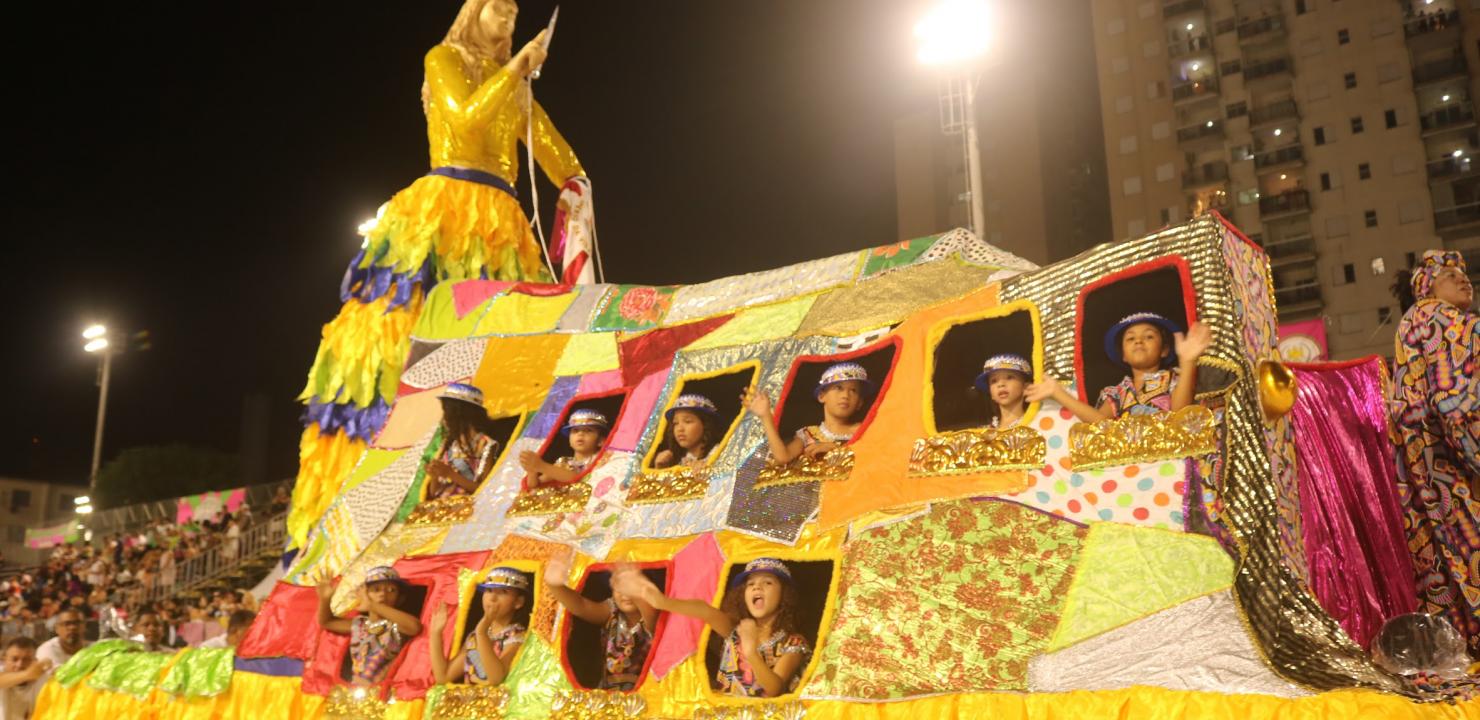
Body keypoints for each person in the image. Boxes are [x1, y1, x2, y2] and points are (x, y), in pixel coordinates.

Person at [293, 0, 587, 545]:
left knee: (502, 344)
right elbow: (466, 117)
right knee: (407, 331)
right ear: (472, 12)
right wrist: (516, 69)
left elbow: (554, 151)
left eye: (514, 12)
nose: (508, 18)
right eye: (497, 8)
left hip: (502, 222)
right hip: (448, 207)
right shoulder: (443, 58)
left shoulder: (512, 82)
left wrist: (577, 186)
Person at [1391, 250, 1480, 652]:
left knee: (1443, 559)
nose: (1463, 279)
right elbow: (1453, 401)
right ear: (1426, 287)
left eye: (1464, 274)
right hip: (1450, 462)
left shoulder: (1414, 322)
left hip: (1423, 466)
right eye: (1449, 274)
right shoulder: (1437, 315)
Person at [617, 558, 809, 698]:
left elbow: (775, 689)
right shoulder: (735, 631)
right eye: (751, 584)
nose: (757, 587)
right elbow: (704, 610)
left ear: (785, 595)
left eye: (767, 582)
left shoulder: (793, 642)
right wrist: (661, 602)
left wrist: (751, 652)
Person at [1032, 312, 1212, 422]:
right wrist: (1058, 393)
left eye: (1149, 336)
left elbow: (1180, 414)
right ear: (1124, 355)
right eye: (1130, 338)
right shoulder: (1117, 392)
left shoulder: (1174, 379)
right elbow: (1100, 422)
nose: (1139, 341)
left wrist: (1187, 362)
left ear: (1164, 350)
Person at [542, 552, 658, 691]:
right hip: (607, 695)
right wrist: (556, 586)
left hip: (648, 696)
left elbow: (652, 617)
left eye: (631, 587)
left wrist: (638, 592)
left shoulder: (654, 616)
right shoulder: (611, 611)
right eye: (619, 587)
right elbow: (581, 606)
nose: (625, 594)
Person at [746, 363, 872, 465]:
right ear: (822, 396)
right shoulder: (808, 434)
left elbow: (875, 458)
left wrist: (837, 450)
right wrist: (765, 416)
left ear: (859, 403)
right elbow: (783, 457)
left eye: (853, 390)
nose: (845, 395)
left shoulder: (865, 431)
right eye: (839, 388)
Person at [317, 566, 423, 686]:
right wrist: (325, 599)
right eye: (376, 589)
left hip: (385, 689)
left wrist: (371, 605)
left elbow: (415, 627)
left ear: (400, 598)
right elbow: (327, 622)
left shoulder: (396, 625)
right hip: (356, 689)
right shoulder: (360, 624)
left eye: (391, 590)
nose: (383, 594)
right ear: (364, 594)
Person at [428, 567, 529, 686]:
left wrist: (482, 632)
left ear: (518, 602)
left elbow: (496, 679)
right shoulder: (474, 638)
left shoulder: (517, 636)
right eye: (489, 591)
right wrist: (435, 633)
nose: (492, 598)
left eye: (503, 592)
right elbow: (443, 677)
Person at [426, 383, 503, 499]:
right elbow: (434, 493)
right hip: (442, 505)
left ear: (463, 414)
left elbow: (484, 489)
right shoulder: (449, 444)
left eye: (448, 412)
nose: (445, 417)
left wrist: (450, 474)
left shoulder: (485, 444)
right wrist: (434, 476)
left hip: (468, 505)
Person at [520, 410, 609, 486]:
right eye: (575, 431)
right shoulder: (563, 463)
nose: (580, 434)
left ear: (601, 441)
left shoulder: (602, 460)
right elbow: (536, 485)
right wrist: (532, 471)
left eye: (588, 430)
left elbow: (578, 478)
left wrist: (541, 466)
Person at [653, 394, 724, 469]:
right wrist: (661, 469)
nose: (679, 429)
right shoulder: (677, 461)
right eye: (675, 423)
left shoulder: (721, 454)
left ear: (706, 425)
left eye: (688, 421)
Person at [973, 354, 1033, 428]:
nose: (1001, 384)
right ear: (991, 394)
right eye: (994, 381)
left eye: (1009, 377)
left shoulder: (1036, 425)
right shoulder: (984, 431)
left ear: (1026, 387)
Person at [0, 637, 48, 720]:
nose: (19, 665)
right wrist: (27, 674)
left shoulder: (43, 680)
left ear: (35, 661)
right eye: (14, 659)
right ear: (4, 660)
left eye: (26, 660)